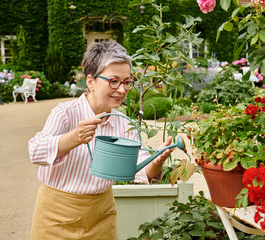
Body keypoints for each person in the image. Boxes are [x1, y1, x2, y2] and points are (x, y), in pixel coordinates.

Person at [28, 40, 174, 239]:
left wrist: (157, 161)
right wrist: (74, 137)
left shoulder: (124, 123)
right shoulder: (65, 113)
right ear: (90, 82)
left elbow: (137, 168)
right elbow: (35, 152)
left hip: (101, 215)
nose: (122, 90)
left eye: (127, 82)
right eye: (113, 81)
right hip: (57, 215)